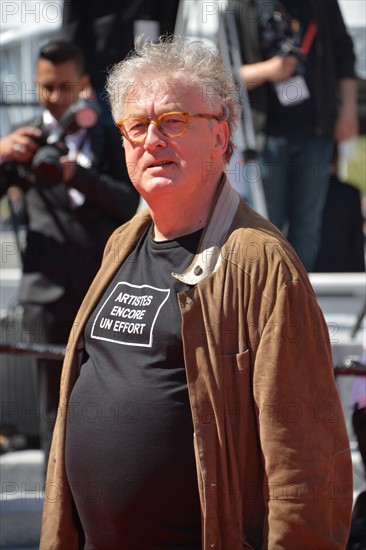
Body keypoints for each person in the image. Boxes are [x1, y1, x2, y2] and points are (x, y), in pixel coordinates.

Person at [40, 36, 352, 549]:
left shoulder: (261, 263)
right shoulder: (123, 241)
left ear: (221, 137)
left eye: (174, 121)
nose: (152, 140)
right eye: (136, 126)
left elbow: (307, 462)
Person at [0, 40, 139, 469]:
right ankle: (55, 520)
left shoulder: (112, 133)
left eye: (63, 87)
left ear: (81, 84)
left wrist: (74, 174)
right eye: (45, 88)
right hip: (46, 293)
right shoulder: (23, 137)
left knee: (114, 406)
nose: (54, 98)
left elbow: (129, 203)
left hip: (106, 292)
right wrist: (2, 155)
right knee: (51, 414)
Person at [231, 0, 358, 271]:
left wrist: (348, 109)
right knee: (265, 224)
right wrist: (269, 71)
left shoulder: (322, 5)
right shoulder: (242, 5)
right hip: (266, 137)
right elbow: (224, 74)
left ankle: (299, 298)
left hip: (315, 132)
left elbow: (345, 55)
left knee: (307, 226)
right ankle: (266, 296)